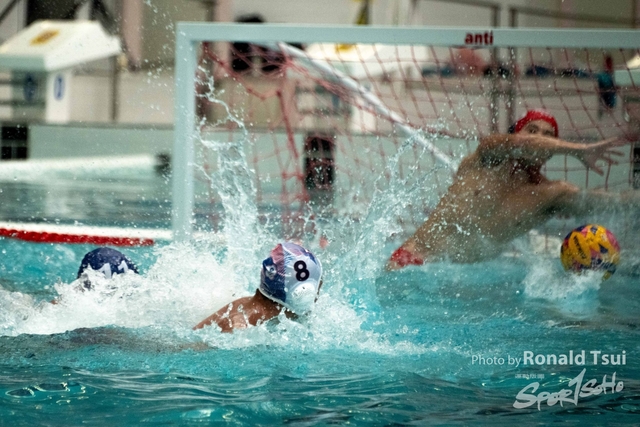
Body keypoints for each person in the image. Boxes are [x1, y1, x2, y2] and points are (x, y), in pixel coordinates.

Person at [386, 109, 629, 270]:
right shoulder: (486, 158)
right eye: (532, 130)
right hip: (413, 265)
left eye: (548, 135)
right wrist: (578, 150)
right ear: (516, 134)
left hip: (466, 290)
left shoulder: (551, 195)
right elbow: (522, 145)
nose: (540, 138)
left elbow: (608, 202)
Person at [194, 242, 323, 332]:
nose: (317, 297)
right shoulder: (240, 331)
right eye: (318, 287)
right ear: (302, 293)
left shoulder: (246, 304)